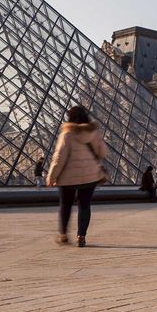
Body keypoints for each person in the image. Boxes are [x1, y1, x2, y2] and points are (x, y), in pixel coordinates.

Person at [47, 105, 108, 248]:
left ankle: (63, 235)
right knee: (85, 206)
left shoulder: (66, 134)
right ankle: (81, 236)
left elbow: (59, 158)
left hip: (68, 177)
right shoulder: (94, 132)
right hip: (90, 176)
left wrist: (51, 177)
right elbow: (103, 152)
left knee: (65, 205)